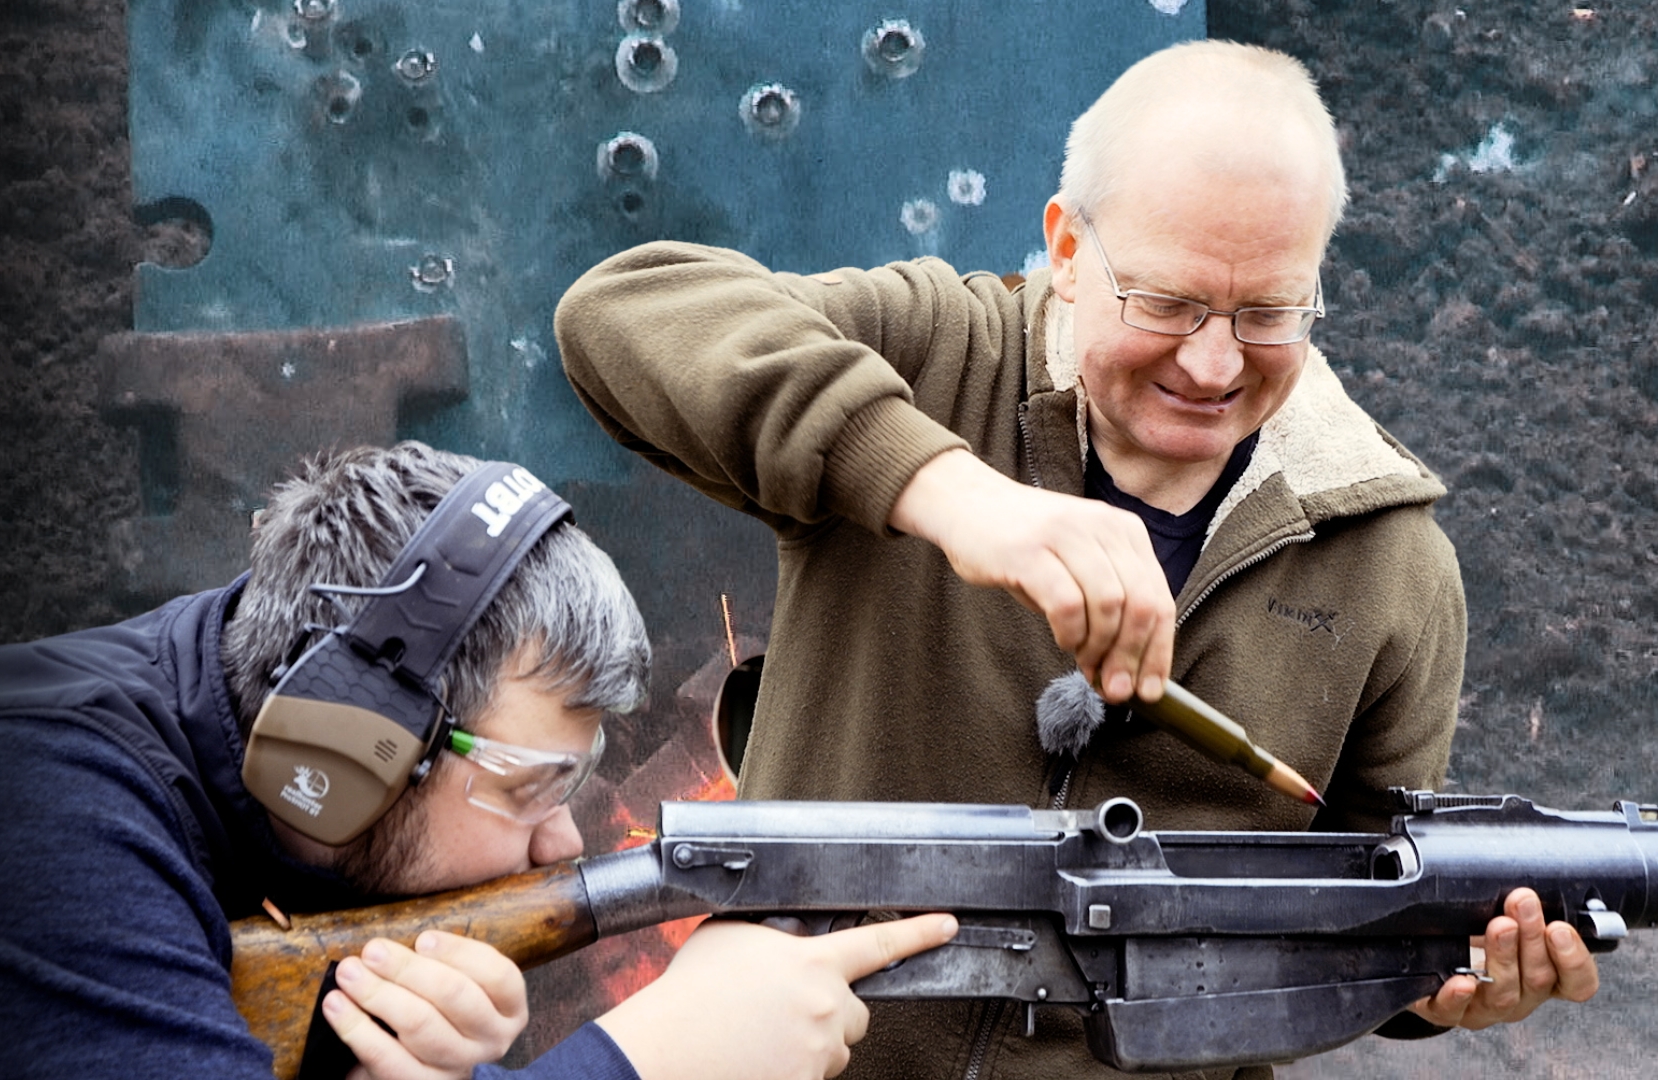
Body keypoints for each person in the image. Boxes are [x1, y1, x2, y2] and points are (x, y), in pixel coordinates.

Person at [556, 40, 1598, 1079]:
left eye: (1268, 313)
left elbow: (1364, 909)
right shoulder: (936, 353)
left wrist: (1440, 983)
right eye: (1167, 302)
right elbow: (621, 313)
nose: (1212, 362)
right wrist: (955, 495)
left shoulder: (1395, 568)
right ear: (1063, 248)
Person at [0, 441, 956, 1080]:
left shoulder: (238, 697)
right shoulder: (7, 816)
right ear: (345, 752)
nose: (565, 838)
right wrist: (645, 1062)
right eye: (528, 785)